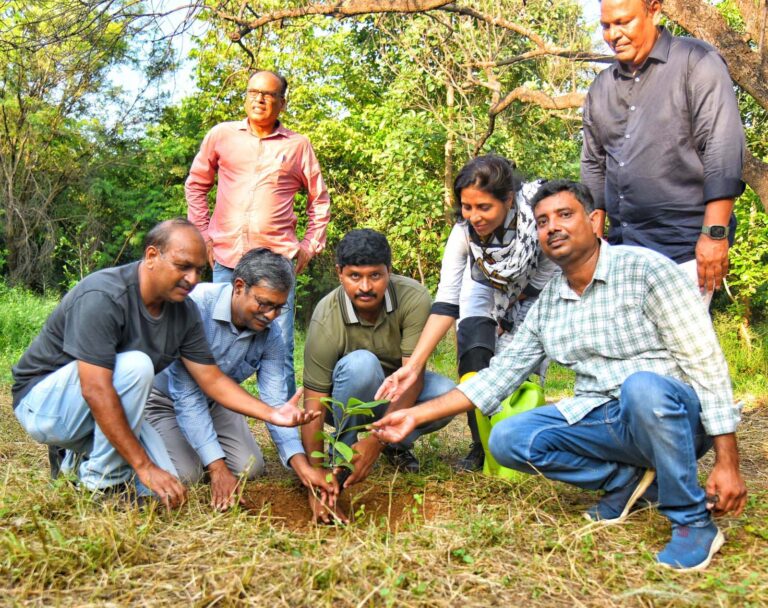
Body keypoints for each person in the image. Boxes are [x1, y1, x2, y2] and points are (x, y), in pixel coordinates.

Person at [374, 181, 746, 571]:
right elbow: (497, 377)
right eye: (542, 221)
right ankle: (629, 481)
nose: (552, 227)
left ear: (595, 221)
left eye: (565, 215)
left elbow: (705, 362)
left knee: (642, 387)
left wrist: (728, 461)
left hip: (673, 417)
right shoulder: (550, 301)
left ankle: (691, 520)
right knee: (508, 437)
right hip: (605, 417)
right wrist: (415, 415)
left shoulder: (647, 269)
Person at [12, 219, 317, 509]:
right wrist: (143, 466)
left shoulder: (182, 311)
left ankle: (77, 459)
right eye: (182, 266)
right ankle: (101, 487)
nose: (193, 279)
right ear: (152, 255)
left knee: (172, 483)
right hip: (45, 404)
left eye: (198, 270)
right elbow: (95, 389)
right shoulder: (104, 295)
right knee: (136, 367)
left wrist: (273, 413)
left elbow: (210, 379)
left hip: (111, 401)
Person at [376, 155, 556, 471]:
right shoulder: (463, 234)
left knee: (519, 370)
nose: (474, 216)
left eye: (484, 207)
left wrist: (508, 315)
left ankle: (520, 446)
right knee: (475, 360)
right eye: (467, 207)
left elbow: (544, 279)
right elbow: (447, 303)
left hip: (533, 294)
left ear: (508, 199)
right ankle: (480, 446)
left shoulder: (539, 225)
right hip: (482, 288)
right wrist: (413, 367)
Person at [145, 248, 336, 511]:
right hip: (163, 400)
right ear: (238, 286)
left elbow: (275, 402)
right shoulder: (195, 307)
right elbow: (186, 396)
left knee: (251, 467)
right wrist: (217, 468)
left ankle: (196, 445)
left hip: (218, 403)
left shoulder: (270, 336)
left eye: (278, 307)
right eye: (263, 303)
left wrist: (303, 468)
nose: (270, 315)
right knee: (188, 474)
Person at [581, 0, 745, 302]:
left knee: (679, 349)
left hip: (683, 248)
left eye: (624, 22)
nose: (613, 34)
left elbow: (722, 149)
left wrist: (715, 235)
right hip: (622, 252)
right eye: (606, 25)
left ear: (654, 11)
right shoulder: (601, 88)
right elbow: (594, 162)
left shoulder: (697, 62)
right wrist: (593, 238)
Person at [186, 68, 331, 398]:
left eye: (268, 95)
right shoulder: (221, 136)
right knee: (213, 341)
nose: (259, 100)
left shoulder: (298, 145)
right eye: (253, 93)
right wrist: (203, 235)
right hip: (226, 259)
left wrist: (310, 245)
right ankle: (207, 419)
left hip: (276, 265)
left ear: (282, 102)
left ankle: (287, 433)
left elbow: (318, 199)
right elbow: (196, 185)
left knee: (278, 347)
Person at [302, 229, 455, 523]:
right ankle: (342, 455)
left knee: (446, 394)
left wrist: (376, 441)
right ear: (339, 274)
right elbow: (314, 403)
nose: (365, 287)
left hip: (396, 392)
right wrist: (314, 476)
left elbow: (413, 376)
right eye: (355, 276)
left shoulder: (414, 297)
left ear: (390, 271)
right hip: (344, 400)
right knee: (362, 364)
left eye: (375, 275)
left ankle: (394, 446)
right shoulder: (326, 315)